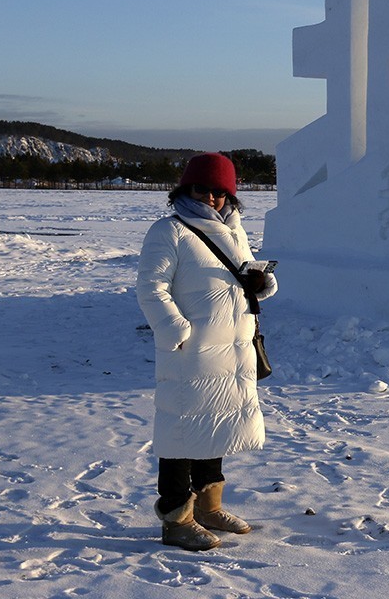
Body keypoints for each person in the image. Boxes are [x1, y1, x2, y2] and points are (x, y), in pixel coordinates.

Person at [136, 152, 278, 550]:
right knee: (179, 434)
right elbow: (150, 287)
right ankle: (177, 517)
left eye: (221, 191)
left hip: (232, 351)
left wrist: (260, 282)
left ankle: (208, 507)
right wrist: (175, 330)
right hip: (192, 351)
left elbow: (244, 270)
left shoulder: (234, 229)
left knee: (215, 427)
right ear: (185, 189)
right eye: (203, 189)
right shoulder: (170, 231)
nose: (212, 198)